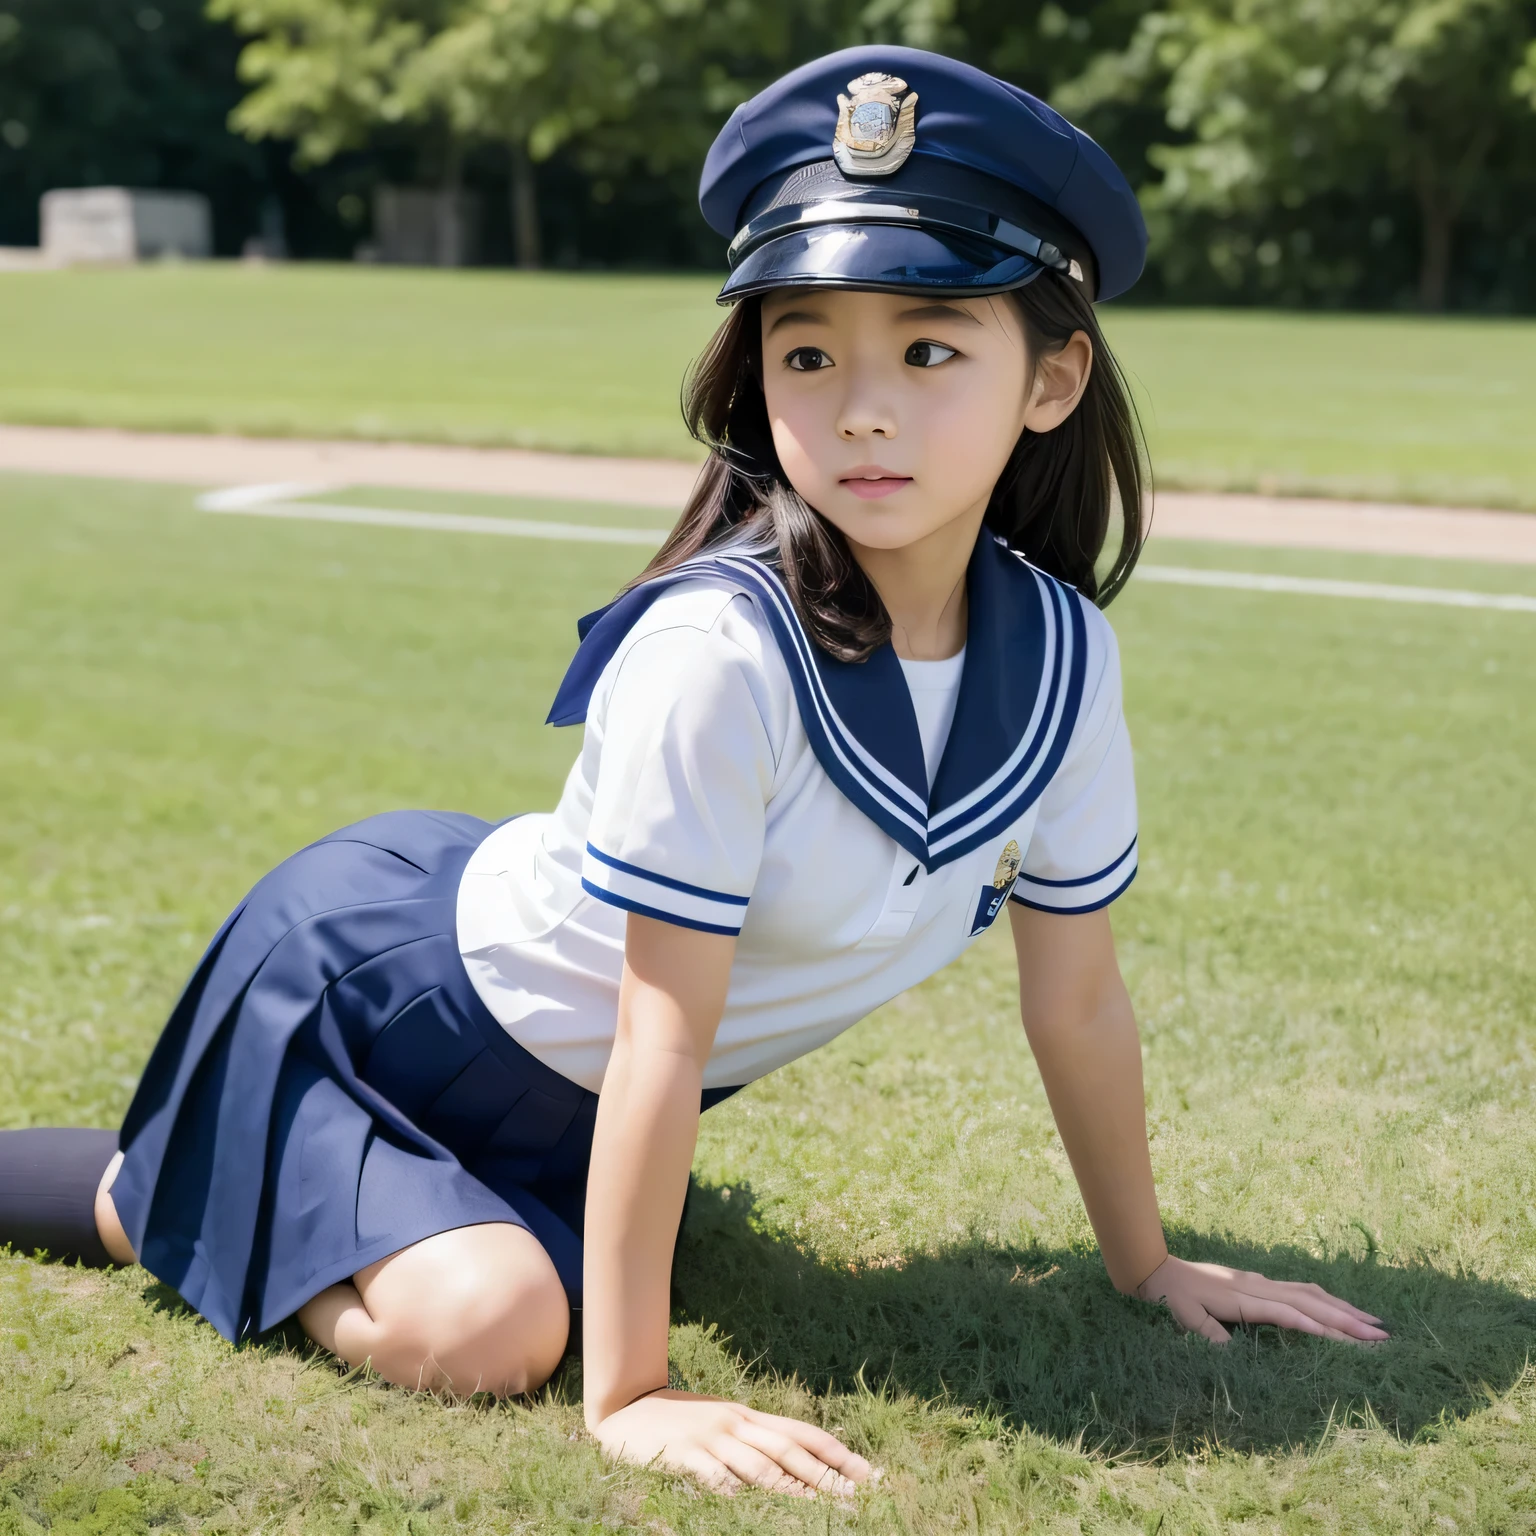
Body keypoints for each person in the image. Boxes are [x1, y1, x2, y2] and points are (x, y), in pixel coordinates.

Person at [0, 45, 1387, 1498]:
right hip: (385, 1007)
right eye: (808, 352)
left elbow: (1079, 994)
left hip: (580, 1089)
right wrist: (634, 1394)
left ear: (1053, 377)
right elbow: (659, 1030)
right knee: (490, 1330)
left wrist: (1147, 1263)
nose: (862, 409)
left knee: (527, 1269)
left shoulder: (1062, 658)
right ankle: (169, 1186)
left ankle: (375, 1201)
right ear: (758, 377)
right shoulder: (718, 651)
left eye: (929, 350)